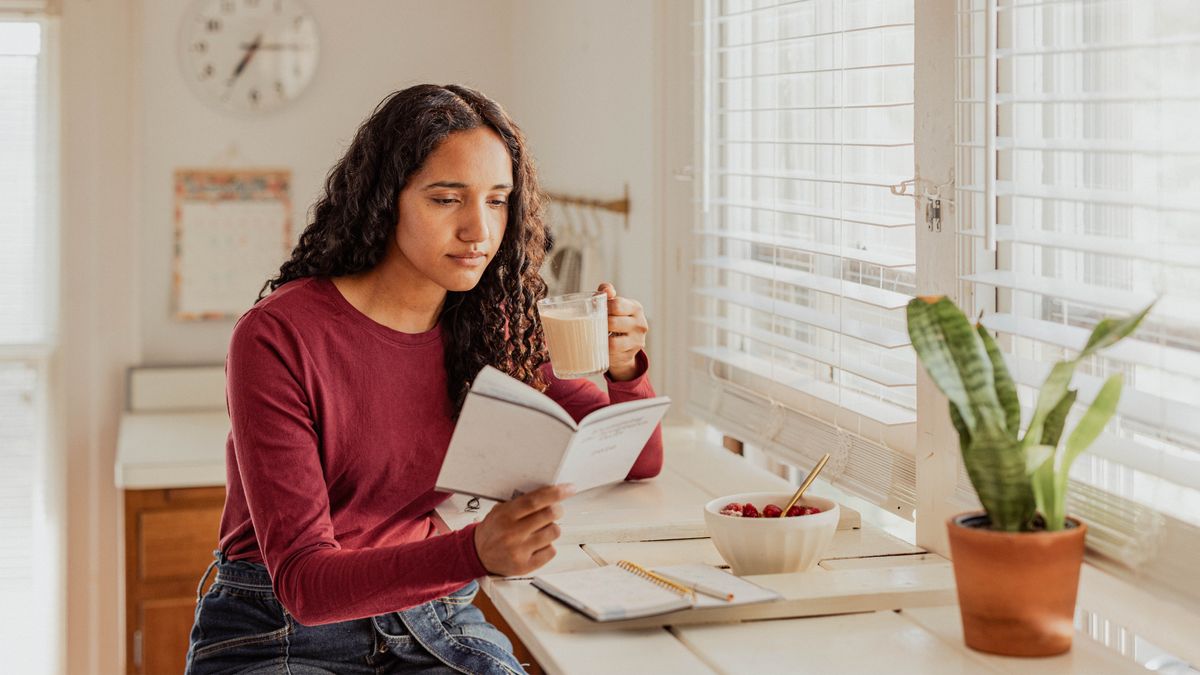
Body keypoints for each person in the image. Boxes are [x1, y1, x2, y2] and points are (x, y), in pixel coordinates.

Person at [185, 84, 663, 675]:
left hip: (430, 619)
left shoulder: (490, 324)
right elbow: (305, 585)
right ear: (387, 200)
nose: (479, 231)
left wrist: (625, 371)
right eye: (446, 200)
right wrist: (475, 550)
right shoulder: (278, 336)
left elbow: (635, 457)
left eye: (497, 201)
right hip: (279, 630)